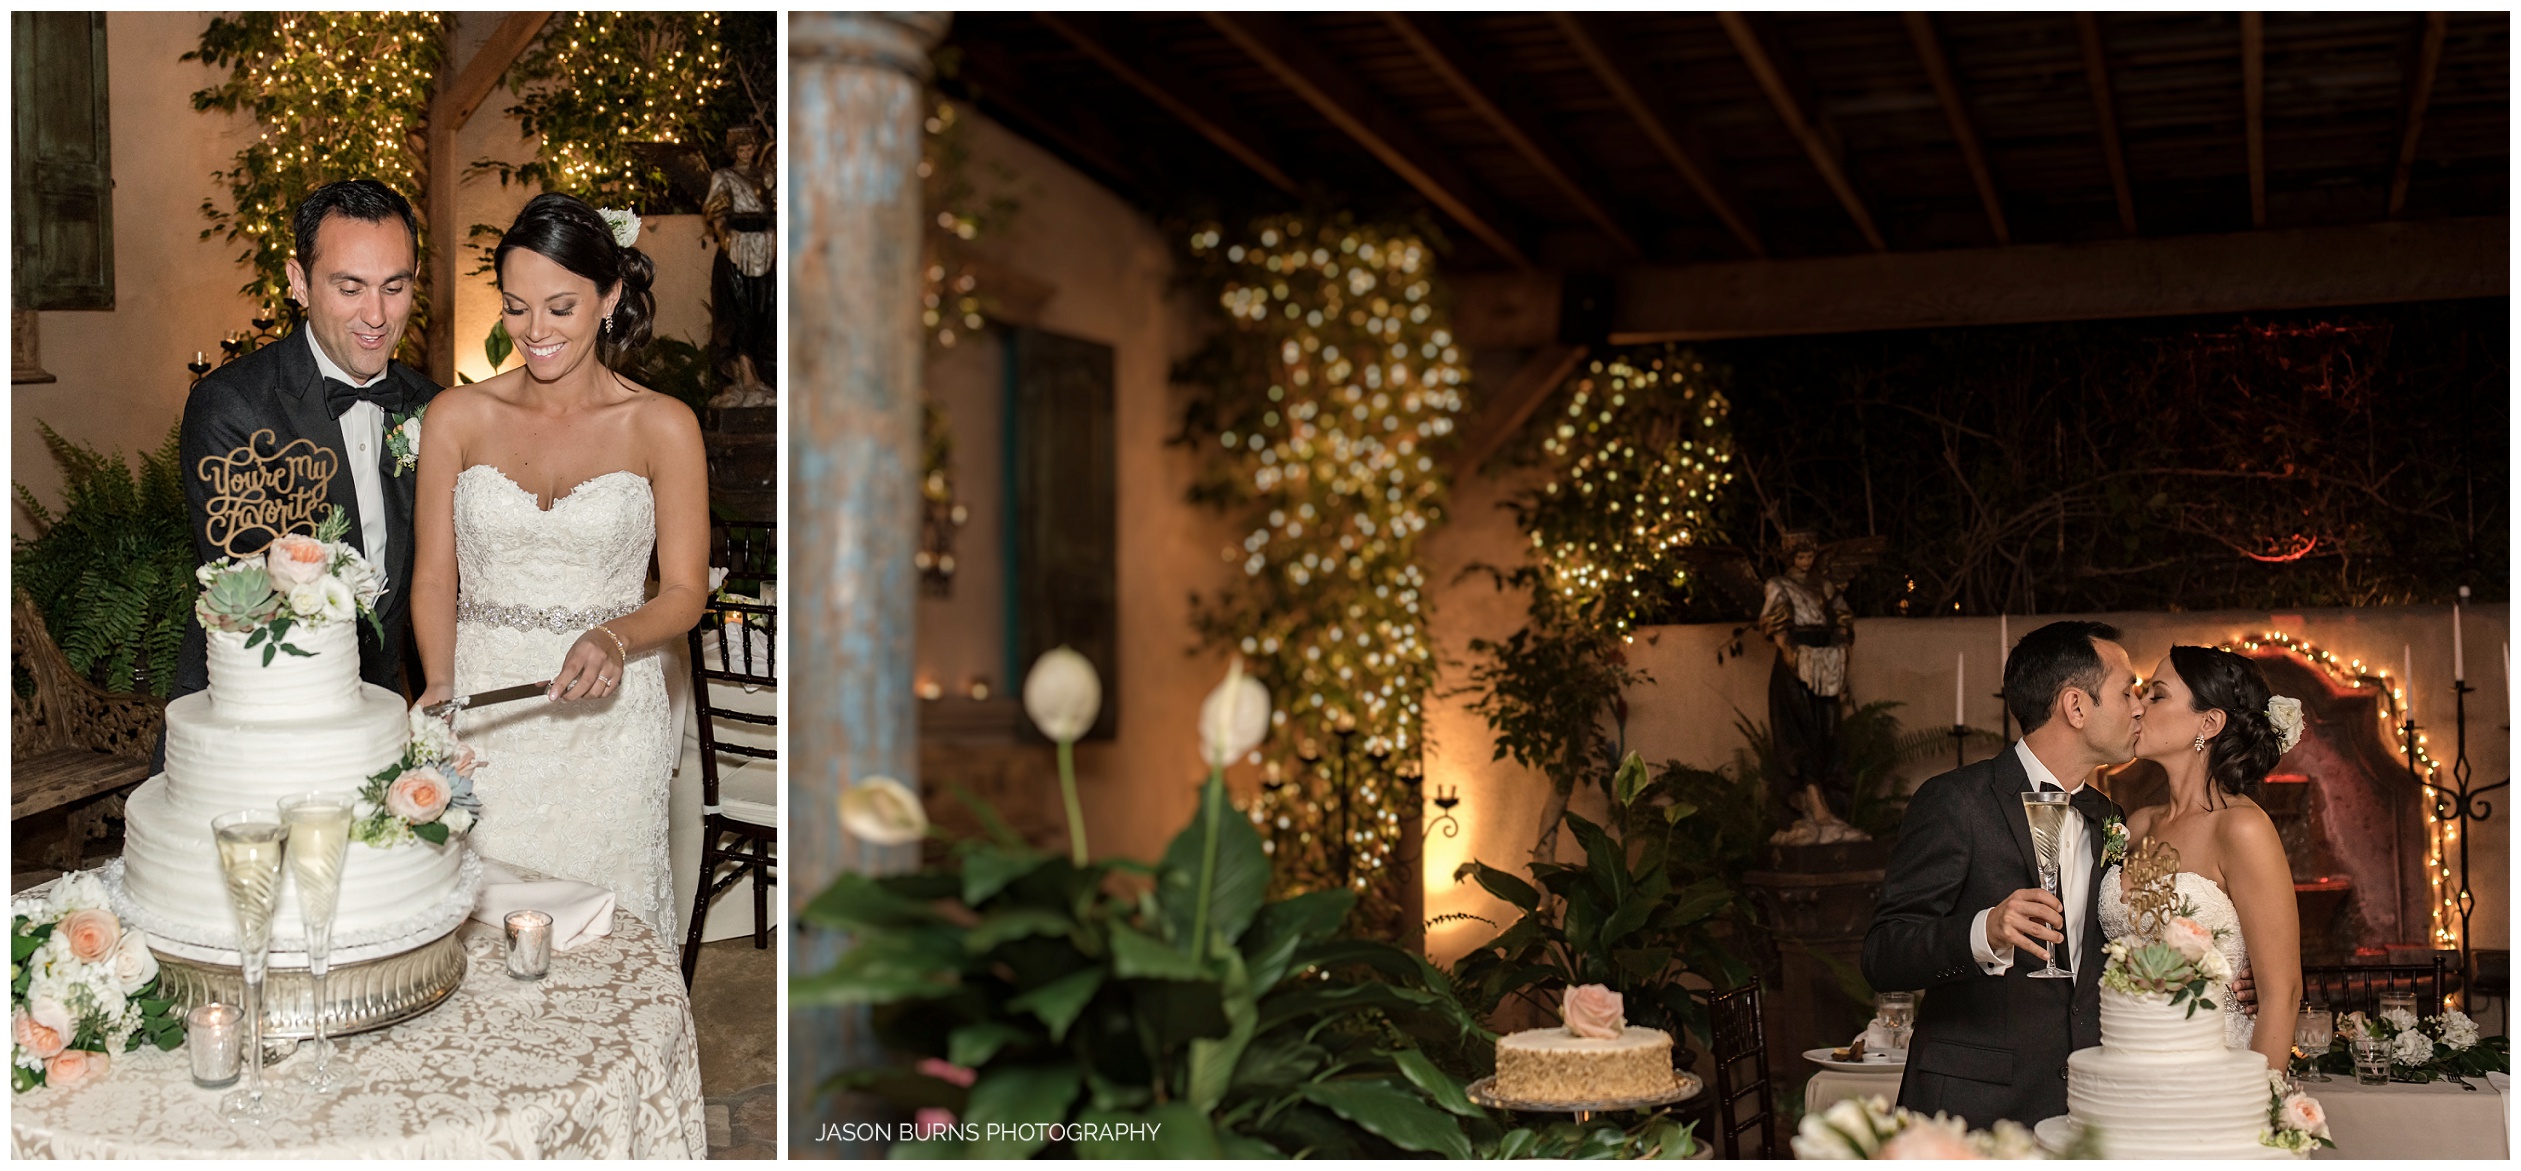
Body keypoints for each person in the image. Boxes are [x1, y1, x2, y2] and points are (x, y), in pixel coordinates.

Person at [408, 193, 708, 934]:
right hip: (486, 717)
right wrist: (442, 687)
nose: (533, 332)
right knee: (476, 939)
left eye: (560, 307)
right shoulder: (455, 415)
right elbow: (433, 576)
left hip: (609, 728)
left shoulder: (662, 424)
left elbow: (684, 592)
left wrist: (615, 636)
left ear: (609, 297)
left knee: (609, 938)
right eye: (515, 307)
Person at [1861, 620, 2142, 1128]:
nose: (2139, 707)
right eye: (2128, 691)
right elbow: (1884, 954)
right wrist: (1982, 931)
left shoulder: (2109, 817)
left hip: (2086, 1105)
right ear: (2076, 707)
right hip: (1973, 1109)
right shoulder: (1956, 801)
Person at [175, 179, 438, 707]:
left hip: (383, 709)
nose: (377, 315)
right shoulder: (233, 406)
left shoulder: (434, 408)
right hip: (259, 704)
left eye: (394, 286)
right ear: (300, 283)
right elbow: (255, 591)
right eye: (350, 288)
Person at [2099, 645, 2302, 1068]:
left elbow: (2282, 994)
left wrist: (2257, 1109)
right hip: (2122, 1064)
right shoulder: (2135, 825)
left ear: (2209, 722)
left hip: (2213, 1069)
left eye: (2157, 695)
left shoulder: (2242, 829)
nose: (2137, 708)